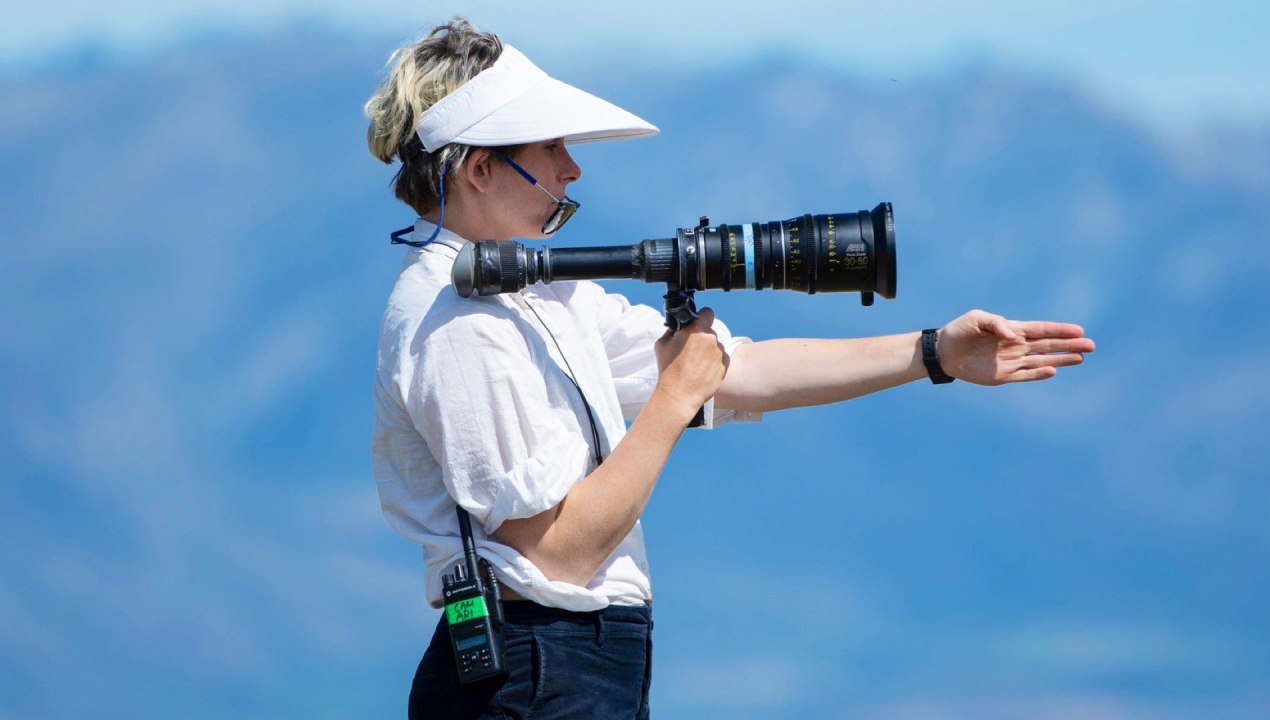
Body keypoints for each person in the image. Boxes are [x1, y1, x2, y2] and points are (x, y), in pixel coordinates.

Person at [365, 18, 1095, 720]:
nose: (572, 166)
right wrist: (672, 402)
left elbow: (738, 371)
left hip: (571, 665)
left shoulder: (537, 292)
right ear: (482, 169)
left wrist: (936, 353)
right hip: (533, 670)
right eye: (551, 145)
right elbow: (557, 555)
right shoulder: (455, 322)